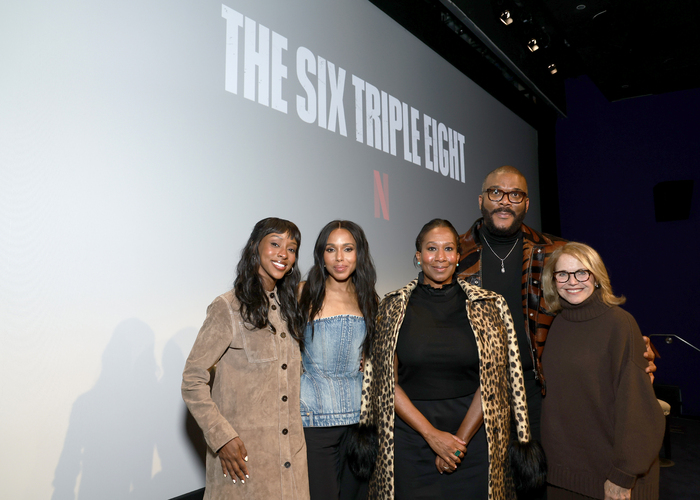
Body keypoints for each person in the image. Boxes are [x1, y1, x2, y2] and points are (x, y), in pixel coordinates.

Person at [457, 166, 657, 445]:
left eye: (515, 194)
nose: (505, 201)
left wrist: (635, 346)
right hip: (469, 389)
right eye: (496, 192)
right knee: (482, 482)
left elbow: (597, 307)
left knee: (541, 476)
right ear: (481, 201)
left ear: (526, 204)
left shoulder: (553, 251)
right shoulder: (453, 255)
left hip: (540, 389)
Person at [360, 219, 534, 500]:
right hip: (410, 438)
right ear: (418, 256)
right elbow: (385, 382)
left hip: (475, 437)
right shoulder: (391, 306)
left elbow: (492, 380)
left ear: (458, 256)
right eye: (431, 249)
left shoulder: (488, 305)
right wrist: (432, 436)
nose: (440, 258)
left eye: (448, 249)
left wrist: (456, 445)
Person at [181, 218, 310, 500]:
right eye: (275, 244)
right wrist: (222, 437)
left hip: (292, 464)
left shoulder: (290, 311)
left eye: (291, 248)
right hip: (244, 461)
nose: (283, 254)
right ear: (255, 247)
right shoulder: (227, 307)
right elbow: (192, 380)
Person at [540, 242, 664, 500]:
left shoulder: (620, 323)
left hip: (613, 477)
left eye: (581, 272)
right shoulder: (557, 325)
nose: (571, 281)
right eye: (562, 274)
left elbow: (638, 407)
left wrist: (623, 475)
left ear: (596, 276)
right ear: (552, 281)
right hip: (564, 474)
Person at [298, 221, 378, 500]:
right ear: (321, 255)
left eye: (348, 249)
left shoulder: (368, 297)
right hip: (314, 420)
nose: (340, 258)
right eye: (331, 249)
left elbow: (376, 357)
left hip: (359, 421)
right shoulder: (303, 292)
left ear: (359, 254)